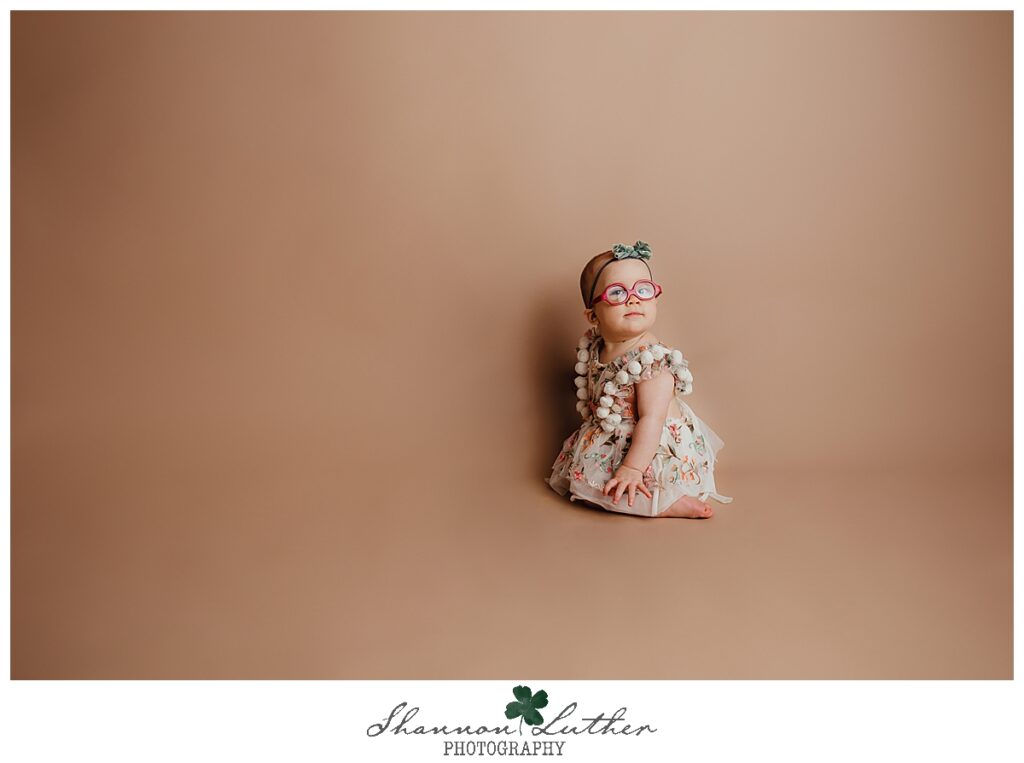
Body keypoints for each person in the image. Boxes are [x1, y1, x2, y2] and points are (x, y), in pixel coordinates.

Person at [546, 240, 733, 518]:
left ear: (655, 299)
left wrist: (632, 469)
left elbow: (652, 419)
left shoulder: (652, 362)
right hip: (614, 434)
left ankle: (668, 501)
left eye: (643, 290)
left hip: (651, 444)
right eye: (617, 292)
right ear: (593, 315)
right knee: (584, 488)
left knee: (616, 489)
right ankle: (637, 495)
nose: (633, 299)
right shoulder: (594, 347)